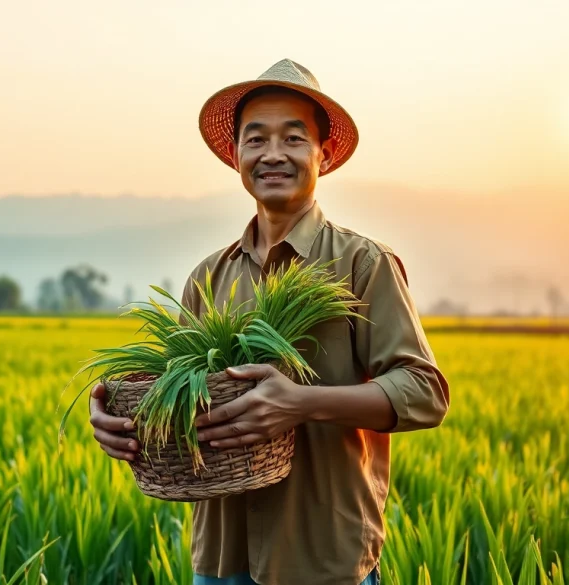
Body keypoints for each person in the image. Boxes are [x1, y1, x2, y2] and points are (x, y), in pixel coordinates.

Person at [88, 58, 450, 585]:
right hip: (219, 559)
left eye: (294, 139)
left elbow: (424, 391)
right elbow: (181, 398)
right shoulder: (208, 277)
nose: (273, 154)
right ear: (235, 154)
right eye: (256, 139)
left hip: (321, 558)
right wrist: (124, 422)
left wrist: (301, 404)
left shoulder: (362, 264)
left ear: (322, 155)